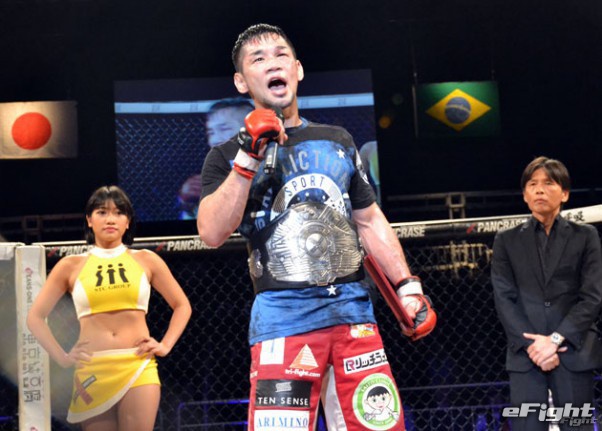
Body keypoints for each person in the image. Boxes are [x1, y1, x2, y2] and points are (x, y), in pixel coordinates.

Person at [196, 23, 435, 430]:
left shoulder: (337, 140)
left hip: (353, 318)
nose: (273, 64)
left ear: (298, 69)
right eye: (258, 59)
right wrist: (248, 158)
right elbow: (211, 232)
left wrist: (406, 287)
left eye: (281, 55)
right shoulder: (224, 156)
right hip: (283, 323)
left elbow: (369, 220)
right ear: (241, 81)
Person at [27, 185, 192, 430]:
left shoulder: (147, 260)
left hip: (137, 365)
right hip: (92, 370)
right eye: (102, 212)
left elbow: (182, 305)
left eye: (119, 212)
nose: (111, 219)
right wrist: (62, 358)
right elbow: (35, 317)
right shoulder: (70, 266)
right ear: (89, 220)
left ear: (128, 221)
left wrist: (165, 345)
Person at [491, 156, 602, 431]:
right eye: (533, 184)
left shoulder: (585, 236)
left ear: (564, 193)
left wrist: (554, 339)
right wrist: (533, 345)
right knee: (527, 426)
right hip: (526, 355)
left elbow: (592, 296)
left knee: (576, 426)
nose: (539, 189)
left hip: (573, 350)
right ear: (524, 195)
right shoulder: (506, 240)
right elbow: (504, 298)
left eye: (549, 183)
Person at [178, 97, 254, 219]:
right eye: (211, 132)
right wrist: (188, 203)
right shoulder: (212, 175)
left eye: (224, 129)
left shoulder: (275, 165)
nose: (214, 139)